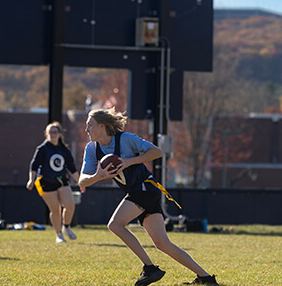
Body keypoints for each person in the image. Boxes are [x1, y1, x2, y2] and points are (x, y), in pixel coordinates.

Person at [78, 108, 218, 286]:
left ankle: (150, 268)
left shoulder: (126, 139)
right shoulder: (92, 149)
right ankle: (206, 278)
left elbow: (157, 152)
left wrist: (128, 161)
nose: (86, 129)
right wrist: (98, 176)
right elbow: (82, 180)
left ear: (102, 126)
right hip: (139, 192)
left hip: (146, 188)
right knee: (162, 243)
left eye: (90, 125)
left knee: (115, 225)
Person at [27, 122, 82, 243]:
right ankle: (59, 235)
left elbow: (72, 167)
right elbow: (34, 165)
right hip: (46, 182)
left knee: (70, 205)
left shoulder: (64, 149)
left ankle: (66, 227)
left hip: (62, 180)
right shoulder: (42, 149)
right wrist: (31, 179)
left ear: (60, 134)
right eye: (50, 132)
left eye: (55, 132)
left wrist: (80, 183)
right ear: (46, 134)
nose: (53, 134)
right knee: (55, 209)